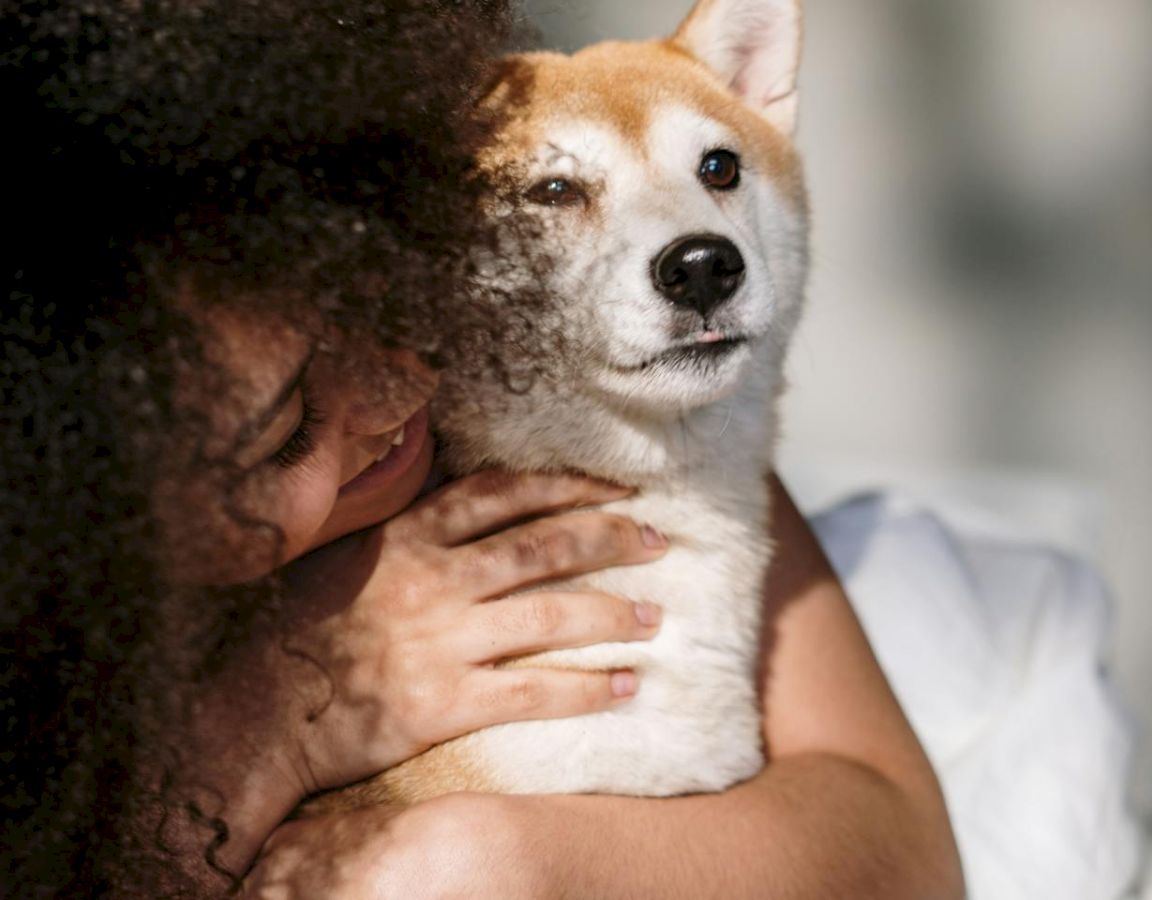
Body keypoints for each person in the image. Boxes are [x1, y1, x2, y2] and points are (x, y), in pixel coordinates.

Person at [0, 0, 963, 897]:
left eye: (386, 311)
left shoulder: (636, 436)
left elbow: (899, 838)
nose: (402, 391)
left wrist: (504, 855)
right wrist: (286, 711)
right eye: (289, 432)